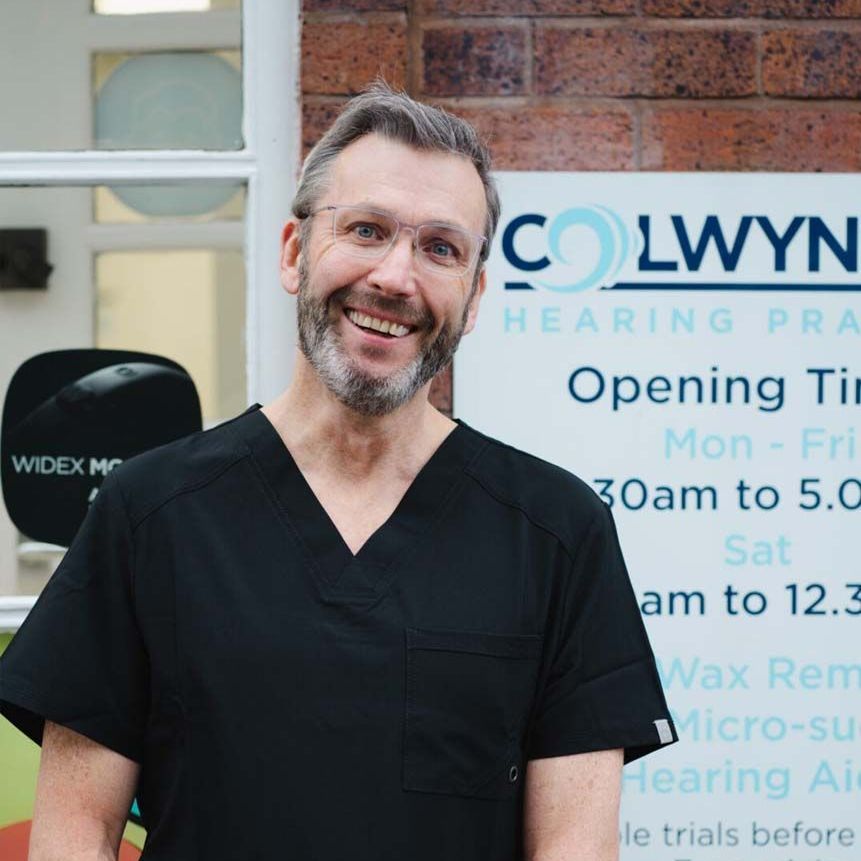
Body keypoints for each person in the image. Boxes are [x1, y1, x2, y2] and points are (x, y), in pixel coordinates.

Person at [0, 82, 676, 861]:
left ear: (475, 295)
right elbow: (73, 832)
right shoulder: (148, 514)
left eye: (440, 248)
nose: (395, 276)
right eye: (365, 229)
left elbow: (574, 846)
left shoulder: (556, 533)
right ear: (294, 252)